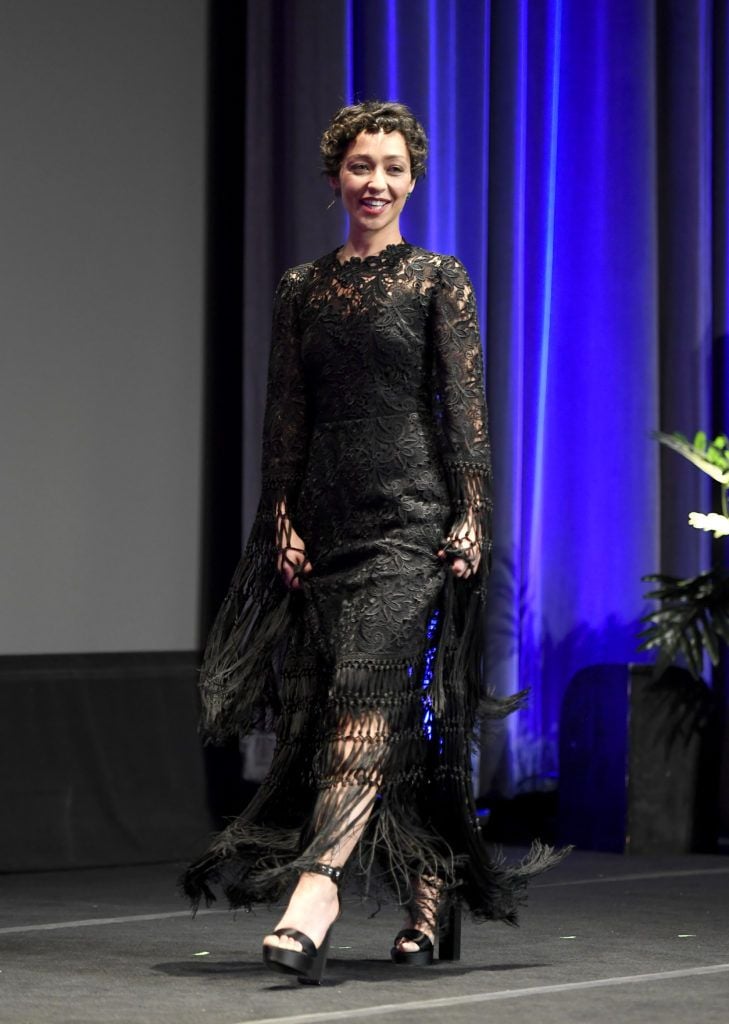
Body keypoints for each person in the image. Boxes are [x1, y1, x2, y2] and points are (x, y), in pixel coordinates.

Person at [181, 100, 565, 983]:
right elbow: (286, 416)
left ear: (413, 179)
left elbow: (462, 412)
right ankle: (430, 891)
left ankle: (313, 895)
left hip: (410, 523)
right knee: (361, 722)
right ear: (334, 178)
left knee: (362, 708)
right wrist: (280, 518)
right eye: (361, 166)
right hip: (327, 528)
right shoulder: (301, 289)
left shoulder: (438, 279)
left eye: (392, 167)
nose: (376, 183)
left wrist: (472, 509)